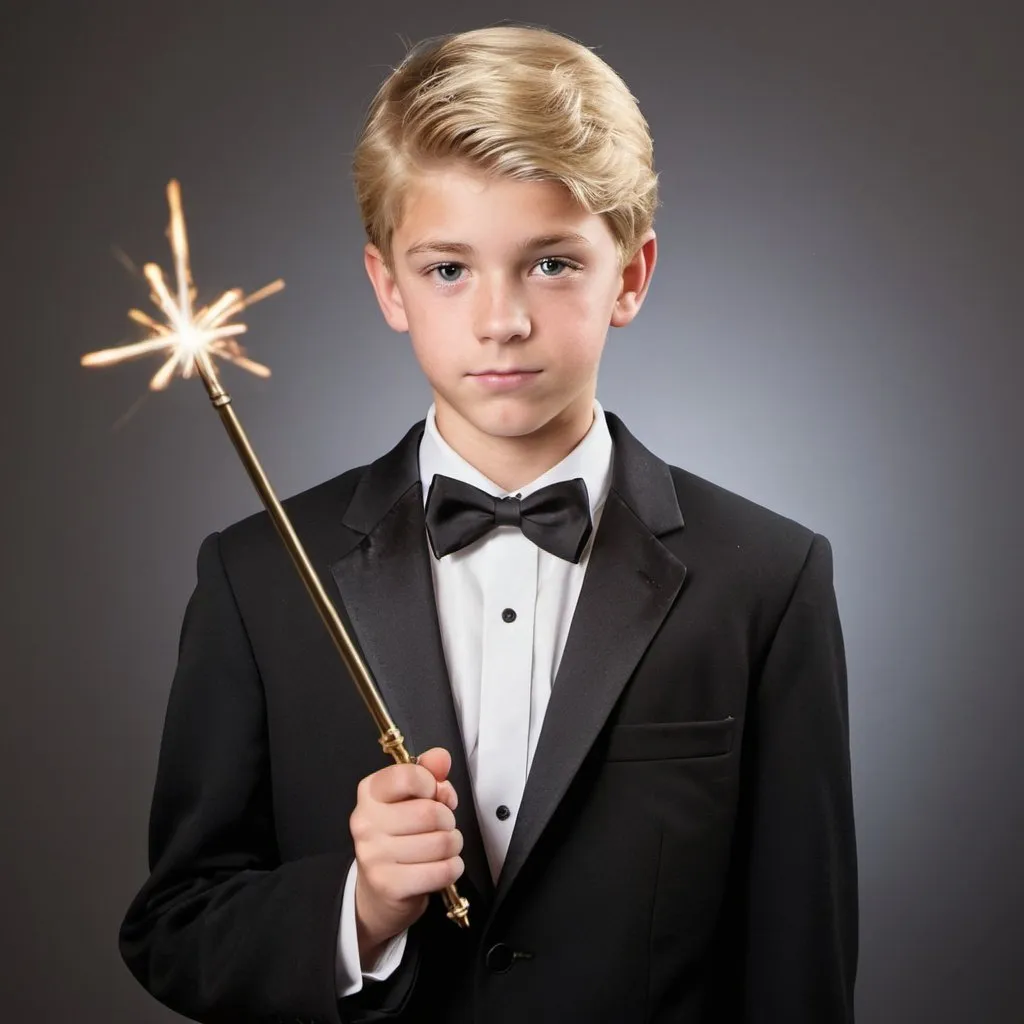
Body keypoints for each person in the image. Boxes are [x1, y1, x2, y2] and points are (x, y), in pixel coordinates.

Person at [119, 24, 858, 1024]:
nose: (500, 319)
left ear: (630, 276)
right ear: (387, 284)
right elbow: (176, 925)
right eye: (448, 270)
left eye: (550, 264)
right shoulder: (258, 577)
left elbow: (798, 968)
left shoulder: (767, 578)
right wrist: (360, 909)